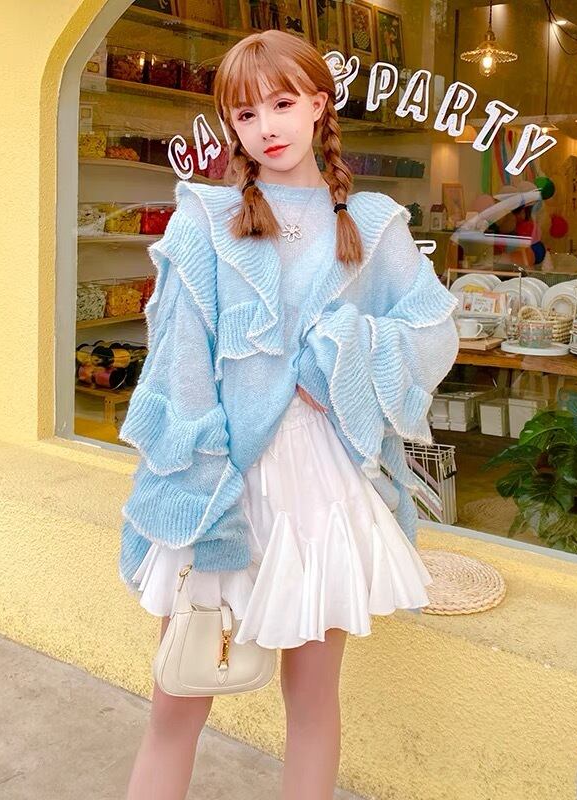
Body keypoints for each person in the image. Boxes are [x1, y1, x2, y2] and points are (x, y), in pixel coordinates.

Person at [121, 29, 459, 800]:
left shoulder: (370, 222)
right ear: (230, 126)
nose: (266, 127)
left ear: (317, 104)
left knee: (311, 703)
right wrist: (205, 505)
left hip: (319, 486)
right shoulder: (204, 220)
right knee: (177, 702)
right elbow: (178, 367)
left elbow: (431, 329)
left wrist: (339, 355)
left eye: (280, 104)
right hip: (217, 476)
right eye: (245, 115)